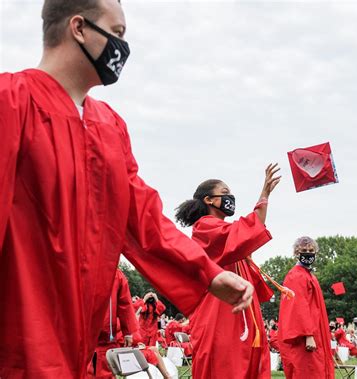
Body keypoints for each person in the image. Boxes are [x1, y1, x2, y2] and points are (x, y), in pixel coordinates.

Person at [0, 1, 254, 377]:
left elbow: (144, 218)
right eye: (116, 33)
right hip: (18, 332)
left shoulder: (110, 128)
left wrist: (208, 272)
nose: (123, 47)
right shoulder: (11, 102)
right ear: (79, 28)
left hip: (80, 343)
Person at [175, 164, 281, 379]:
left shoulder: (224, 230)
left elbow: (242, 236)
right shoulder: (204, 227)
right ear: (209, 200)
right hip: (220, 315)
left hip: (238, 313)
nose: (230, 197)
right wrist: (264, 195)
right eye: (224, 193)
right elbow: (247, 231)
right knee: (226, 368)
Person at [278, 237, 335, 379]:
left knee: (316, 371)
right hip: (304, 338)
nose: (308, 253)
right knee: (307, 372)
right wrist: (308, 335)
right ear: (296, 253)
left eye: (311, 250)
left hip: (315, 333)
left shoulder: (308, 275)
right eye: (304, 250)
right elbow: (298, 307)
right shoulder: (296, 276)